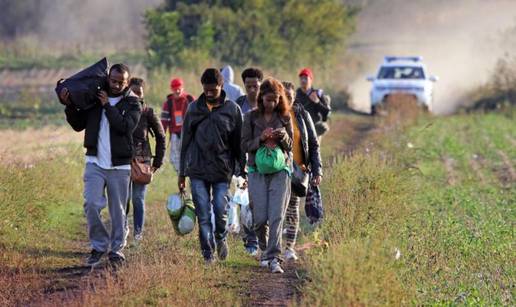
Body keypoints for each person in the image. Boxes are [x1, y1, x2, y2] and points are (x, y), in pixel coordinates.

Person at [58, 64, 141, 267]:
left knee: (118, 211)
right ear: (108, 78)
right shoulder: (95, 98)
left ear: (127, 82)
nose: (116, 85)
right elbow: (78, 125)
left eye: (121, 82)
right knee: (91, 205)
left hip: (119, 167)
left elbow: (124, 127)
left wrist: (107, 106)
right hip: (95, 162)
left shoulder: (133, 103)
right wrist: (69, 105)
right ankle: (98, 246)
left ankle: (117, 249)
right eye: (113, 80)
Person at [178, 68, 246, 264]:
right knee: (203, 214)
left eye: (213, 91)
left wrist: (243, 171)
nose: (209, 94)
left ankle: (220, 238)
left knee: (219, 209)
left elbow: (238, 144)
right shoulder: (193, 109)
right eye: (206, 90)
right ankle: (207, 254)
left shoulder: (232, 110)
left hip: (222, 170)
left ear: (221, 86)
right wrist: (182, 173)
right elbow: (185, 143)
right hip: (197, 169)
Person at [242, 78, 293, 274]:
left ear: (280, 99)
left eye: (275, 100)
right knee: (260, 218)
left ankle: (274, 257)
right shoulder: (250, 117)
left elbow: (290, 147)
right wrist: (260, 139)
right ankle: (264, 249)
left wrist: (284, 137)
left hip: (280, 172)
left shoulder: (286, 118)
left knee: (276, 215)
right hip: (257, 171)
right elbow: (244, 145)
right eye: (267, 99)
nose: (271, 104)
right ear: (261, 97)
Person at [282, 81, 323, 261]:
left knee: (292, 210)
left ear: (294, 98)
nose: (286, 100)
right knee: (275, 212)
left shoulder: (302, 115)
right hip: (275, 171)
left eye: (289, 97)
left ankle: (289, 247)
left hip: (298, 171)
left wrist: (317, 170)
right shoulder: (272, 115)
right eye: (283, 97)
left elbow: (313, 144)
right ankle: (271, 248)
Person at [127, 77, 166, 243]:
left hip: (142, 161)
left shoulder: (148, 112)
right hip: (121, 160)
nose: (136, 96)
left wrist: (158, 161)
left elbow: (161, 136)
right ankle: (121, 233)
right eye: (133, 92)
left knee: (138, 198)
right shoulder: (120, 110)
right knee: (123, 199)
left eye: (139, 93)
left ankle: (137, 235)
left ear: (143, 94)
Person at [235, 67, 263, 256]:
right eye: (248, 86)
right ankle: (251, 239)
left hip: (265, 160)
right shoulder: (238, 105)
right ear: (243, 86)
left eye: (255, 85)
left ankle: (262, 237)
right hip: (243, 160)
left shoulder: (267, 105)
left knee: (262, 202)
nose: (252, 89)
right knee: (246, 201)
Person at [160, 78, 195, 173]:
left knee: (190, 155)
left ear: (183, 88)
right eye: (175, 89)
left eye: (179, 88)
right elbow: (163, 121)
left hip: (188, 133)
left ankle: (189, 172)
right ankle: (181, 173)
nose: (178, 91)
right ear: (172, 89)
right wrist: (161, 134)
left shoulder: (189, 99)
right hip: (175, 133)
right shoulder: (168, 103)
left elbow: (198, 116)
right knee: (173, 157)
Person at [296, 68, 331, 139]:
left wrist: (317, 102)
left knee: (322, 127)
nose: (303, 80)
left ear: (311, 80)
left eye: (306, 78)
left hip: (314, 126)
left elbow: (326, 113)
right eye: (301, 78)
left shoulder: (318, 93)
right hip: (299, 126)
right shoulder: (296, 94)